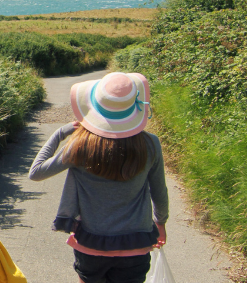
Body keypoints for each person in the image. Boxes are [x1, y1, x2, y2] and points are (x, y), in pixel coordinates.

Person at [28, 72, 168, 283]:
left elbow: (36, 172)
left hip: (91, 243)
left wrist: (60, 133)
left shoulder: (79, 145)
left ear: (95, 106)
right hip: (136, 243)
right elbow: (159, 191)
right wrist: (161, 223)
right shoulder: (151, 144)